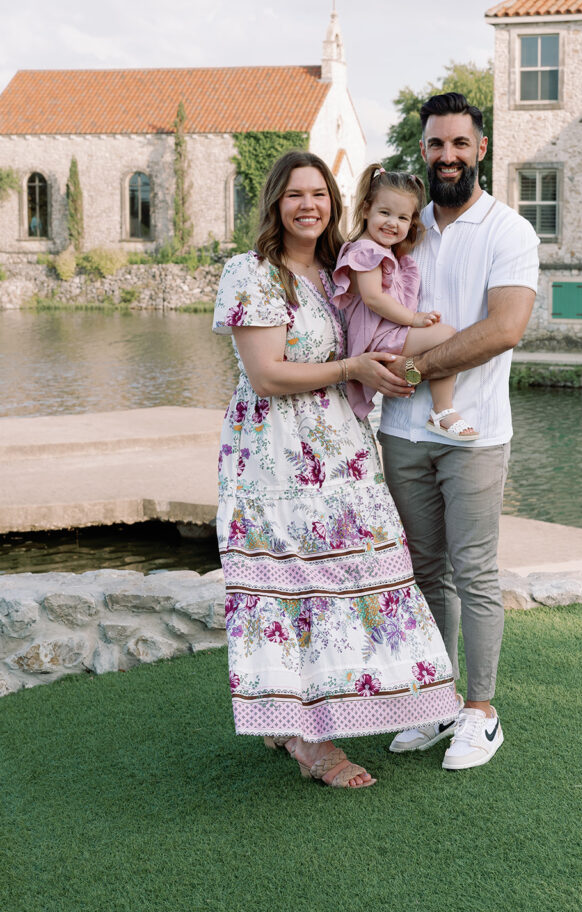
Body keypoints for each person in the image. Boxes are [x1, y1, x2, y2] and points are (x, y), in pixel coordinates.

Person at [212, 150, 460, 789]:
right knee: (293, 588)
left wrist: (399, 363)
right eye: (295, 194)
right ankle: (311, 745)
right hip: (276, 459)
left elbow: (372, 340)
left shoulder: (337, 272)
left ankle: (291, 715)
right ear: (274, 201)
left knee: (355, 579)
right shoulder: (253, 273)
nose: (308, 206)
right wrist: (352, 370)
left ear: (333, 203)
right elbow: (267, 374)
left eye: (319, 194)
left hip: (343, 455)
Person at [379, 93, 540, 770]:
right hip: (403, 429)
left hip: (473, 434)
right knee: (424, 571)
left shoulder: (509, 231)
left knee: (473, 573)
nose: (448, 155)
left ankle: (481, 711)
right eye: (436, 144)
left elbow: (505, 329)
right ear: (423, 152)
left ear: (481, 150)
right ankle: (433, 702)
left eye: (460, 144)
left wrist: (415, 365)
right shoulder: (406, 227)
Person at [331, 163, 477, 439]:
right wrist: (414, 319)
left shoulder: (381, 251)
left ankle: (409, 376)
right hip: (377, 337)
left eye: (402, 218)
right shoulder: (366, 251)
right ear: (365, 210)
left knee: (439, 343)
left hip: (384, 334)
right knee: (447, 337)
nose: (392, 223)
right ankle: (443, 409)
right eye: (384, 213)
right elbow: (373, 298)